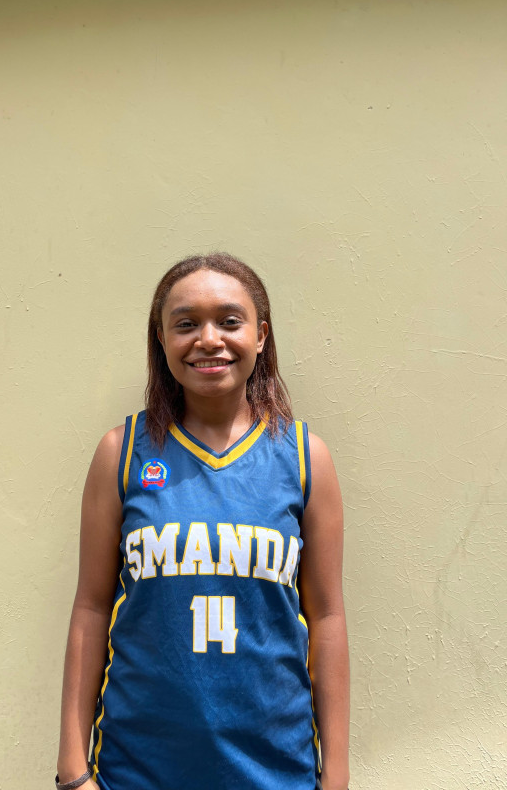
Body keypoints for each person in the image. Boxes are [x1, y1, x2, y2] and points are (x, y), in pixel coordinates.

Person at [56, 253, 349, 790]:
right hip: (138, 769)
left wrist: (337, 776)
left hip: (276, 770)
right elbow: (91, 607)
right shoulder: (122, 453)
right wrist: (74, 773)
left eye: (229, 321)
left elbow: (326, 617)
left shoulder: (306, 458)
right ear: (162, 339)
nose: (208, 339)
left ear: (261, 336)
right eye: (186, 323)